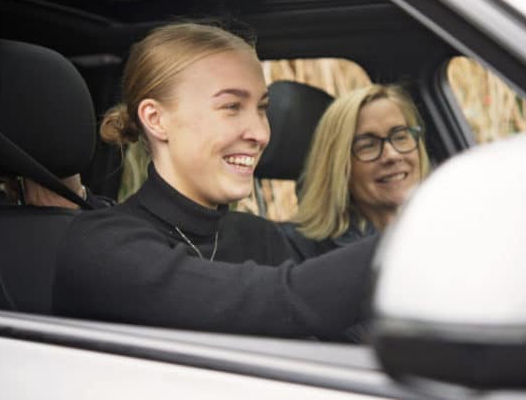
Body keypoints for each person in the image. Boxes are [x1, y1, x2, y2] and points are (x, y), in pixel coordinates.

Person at [52, 22, 376, 338]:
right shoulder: (101, 246)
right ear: (157, 119)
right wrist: (405, 244)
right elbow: (282, 303)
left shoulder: (259, 236)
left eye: (262, 108)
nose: (261, 133)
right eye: (232, 106)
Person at [282, 84, 430, 260]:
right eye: (368, 145)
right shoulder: (301, 254)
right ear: (339, 166)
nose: (392, 155)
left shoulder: (450, 228)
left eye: (400, 137)